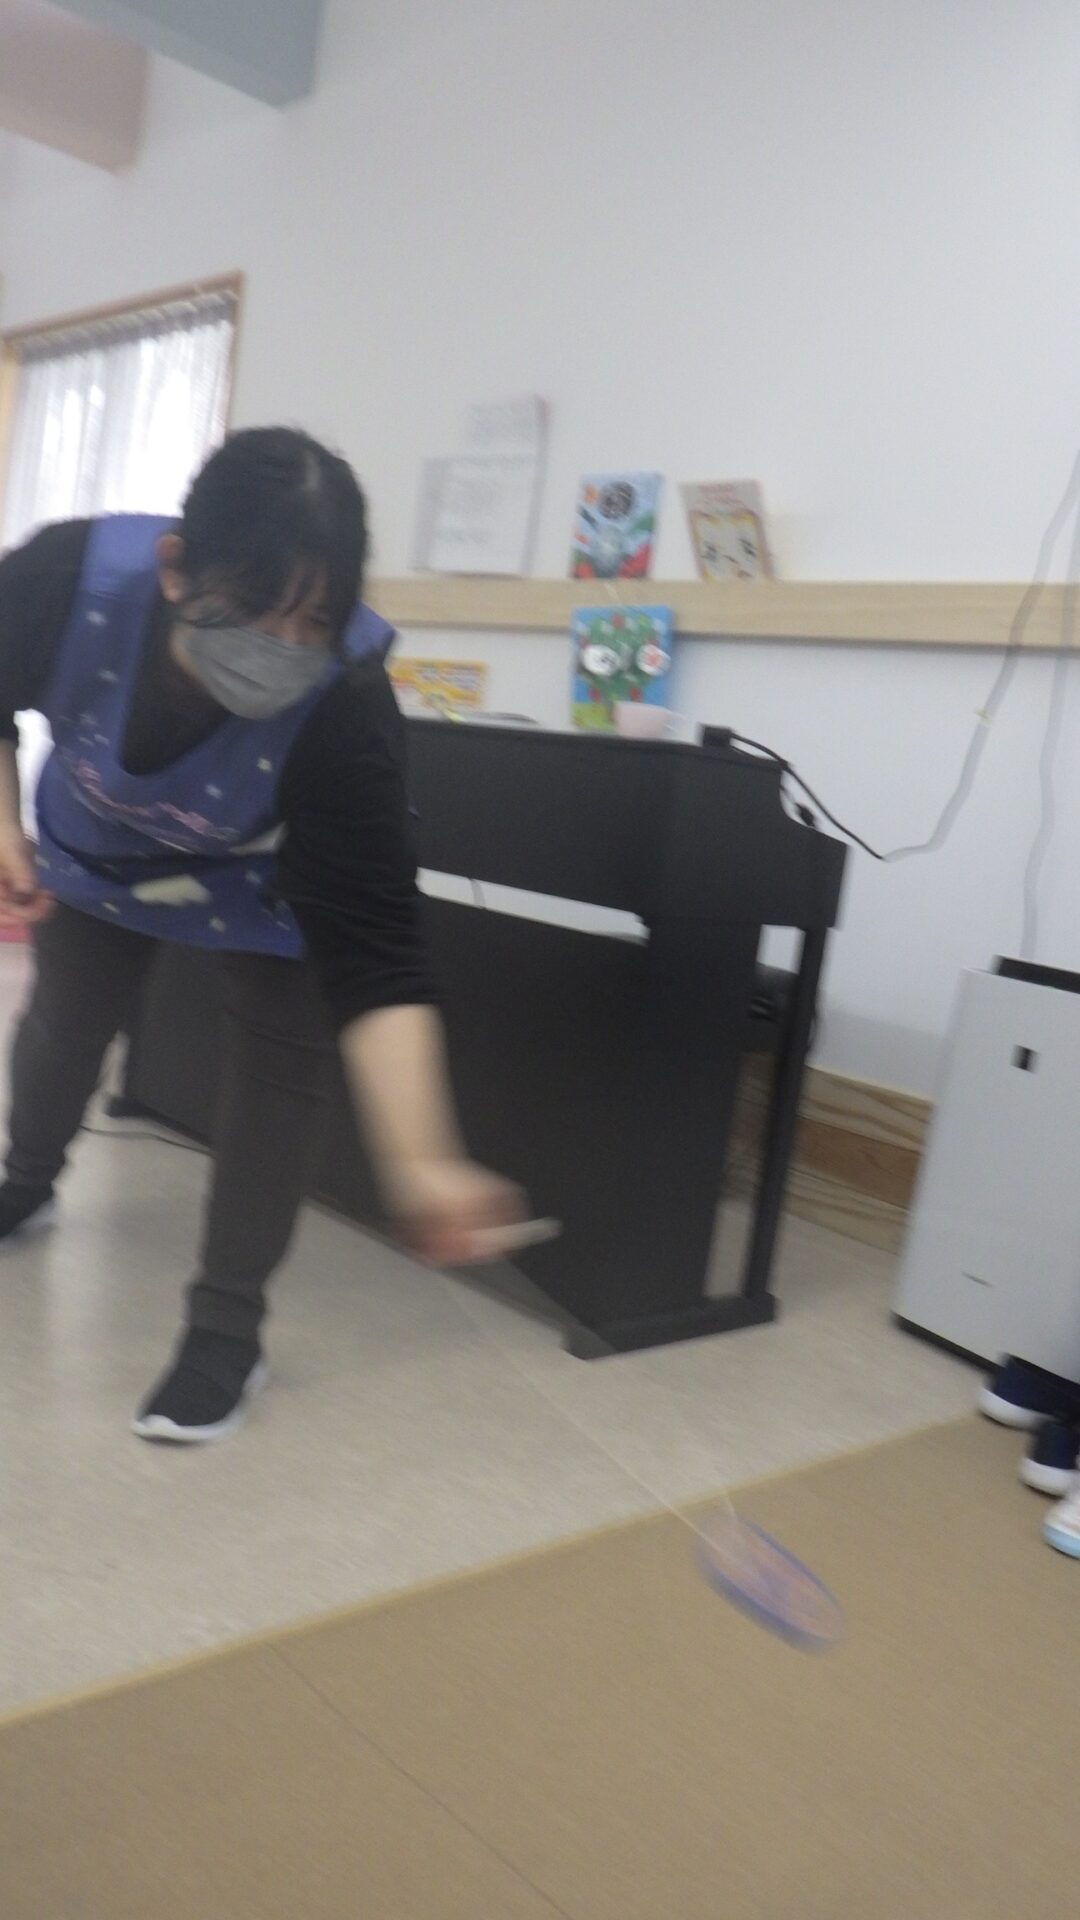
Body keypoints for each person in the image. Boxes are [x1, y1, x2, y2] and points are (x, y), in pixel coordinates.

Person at [0, 426, 524, 1443]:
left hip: (260, 872)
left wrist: (424, 1157)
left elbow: (376, 947)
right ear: (175, 569)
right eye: (252, 607)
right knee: (67, 1020)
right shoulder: (68, 579)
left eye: (313, 621)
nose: (281, 646)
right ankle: (25, 1180)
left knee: (281, 1069)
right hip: (97, 842)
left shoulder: (347, 703)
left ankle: (227, 1330)